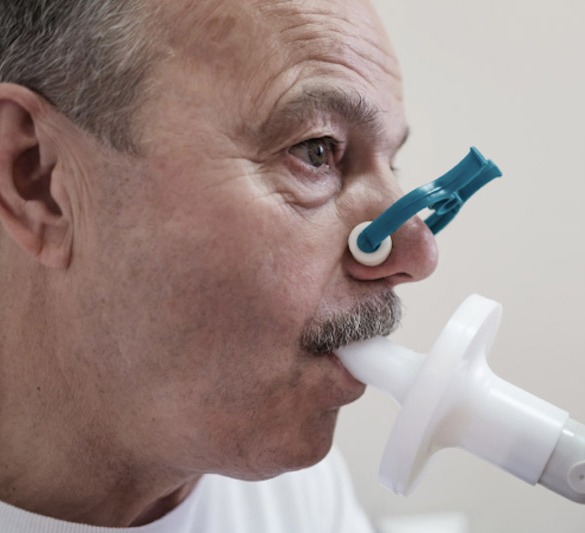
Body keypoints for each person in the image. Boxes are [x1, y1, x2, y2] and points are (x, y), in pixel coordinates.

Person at [0, 0, 438, 530]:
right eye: (316, 152)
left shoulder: (295, 498)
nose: (417, 254)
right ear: (37, 178)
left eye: (391, 164)